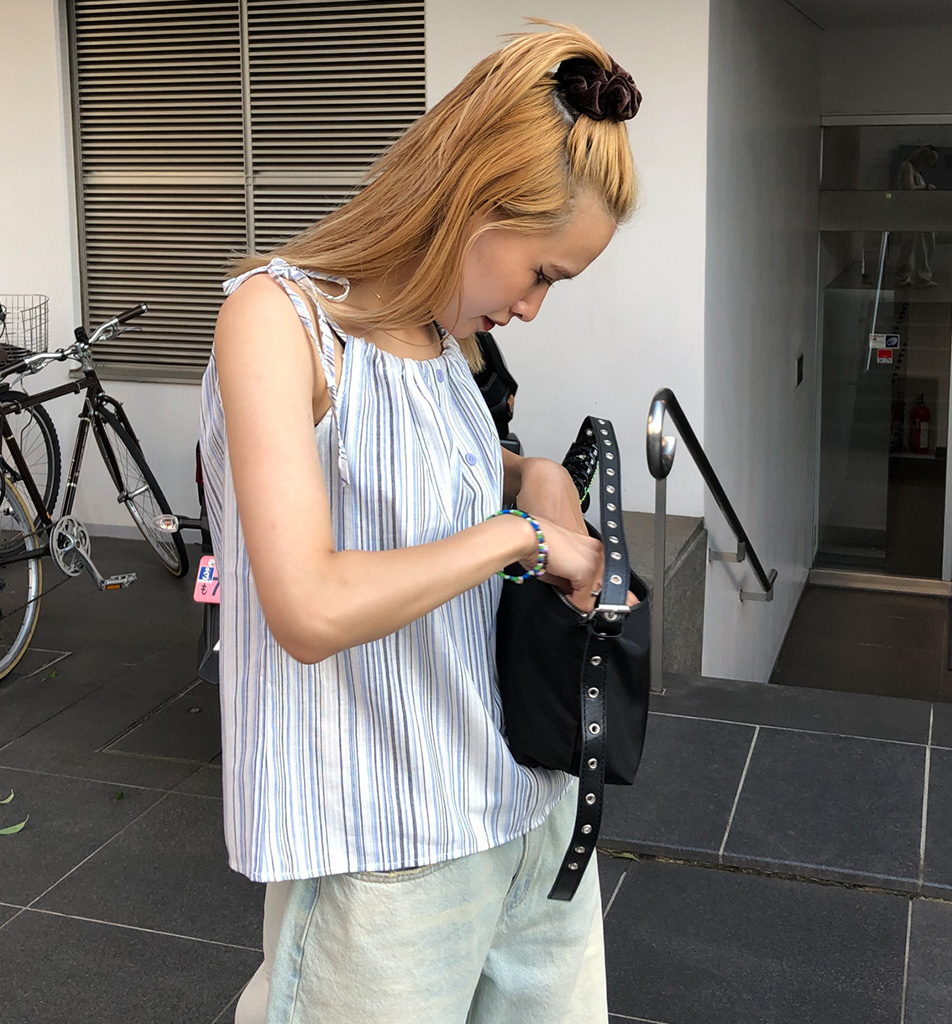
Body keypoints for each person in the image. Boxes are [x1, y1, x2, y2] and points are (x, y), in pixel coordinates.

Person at [199, 20, 641, 1024]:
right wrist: (524, 539)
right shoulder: (277, 320)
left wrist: (532, 478)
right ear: (475, 201)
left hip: (529, 816)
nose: (533, 308)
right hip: (384, 853)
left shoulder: (446, 343)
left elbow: (430, 470)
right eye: (542, 273)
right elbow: (308, 606)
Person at [894, 144, 939, 288]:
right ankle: (917, 276)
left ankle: (910, 275)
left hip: (917, 212)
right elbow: (909, 187)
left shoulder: (917, 172)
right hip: (911, 212)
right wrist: (926, 187)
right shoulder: (907, 167)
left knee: (918, 243)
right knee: (917, 244)